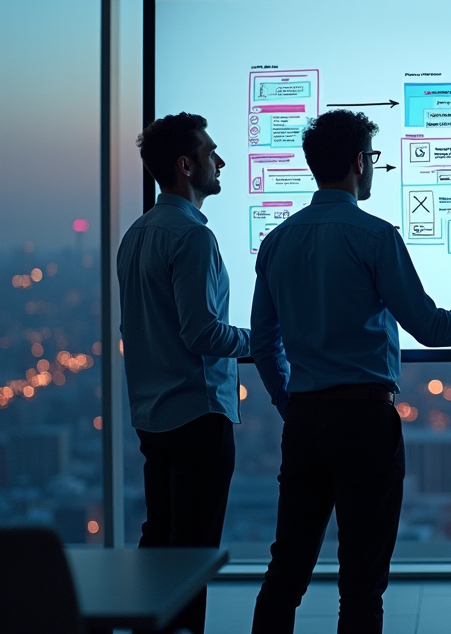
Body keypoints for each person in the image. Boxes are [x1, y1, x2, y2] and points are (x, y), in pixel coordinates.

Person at [249, 109, 451, 634]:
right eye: (375, 160)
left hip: (304, 422)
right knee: (362, 578)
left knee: (287, 567)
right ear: (359, 162)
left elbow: (264, 341)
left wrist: (286, 401)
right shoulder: (374, 237)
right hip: (363, 423)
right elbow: (430, 326)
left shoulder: (276, 241)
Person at [117, 112, 250, 634]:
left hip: (153, 415)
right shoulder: (192, 237)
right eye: (210, 152)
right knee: (193, 557)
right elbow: (203, 334)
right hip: (197, 414)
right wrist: (263, 341)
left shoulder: (137, 234)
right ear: (185, 165)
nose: (220, 161)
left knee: (161, 547)